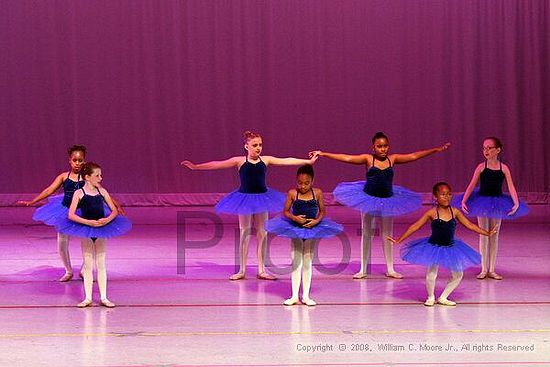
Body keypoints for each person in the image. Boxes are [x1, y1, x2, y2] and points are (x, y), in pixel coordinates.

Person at [310, 132, 450, 279]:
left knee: (387, 234)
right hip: (368, 199)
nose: (383, 149)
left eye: (385, 146)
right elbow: (347, 158)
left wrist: (436, 150)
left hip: (388, 200)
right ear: (373, 148)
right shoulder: (368, 159)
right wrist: (323, 153)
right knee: (367, 234)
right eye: (379, 146)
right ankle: (363, 269)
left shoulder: (393, 159)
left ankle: (390, 269)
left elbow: (414, 156)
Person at [181, 131, 317, 280]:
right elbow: (217, 164)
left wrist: (307, 162)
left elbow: (287, 160)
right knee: (244, 233)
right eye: (255, 145)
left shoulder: (265, 160)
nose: (258, 148)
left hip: (262, 198)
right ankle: (242, 270)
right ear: (246, 146)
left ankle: (261, 269)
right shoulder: (239, 161)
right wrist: (196, 167)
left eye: (260, 145)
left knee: (262, 233)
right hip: (244, 199)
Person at [388, 182, 497, 306]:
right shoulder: (432, 213)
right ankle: (430, 297)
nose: (447, 197)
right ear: (435, 196)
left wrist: (487, 233)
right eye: (443, 194)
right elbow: (415, 226)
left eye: (449, 194)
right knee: (432, 273)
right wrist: (399, 239)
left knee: (458, 274)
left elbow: (470, 225)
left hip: (451, 247)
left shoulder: (455, 212)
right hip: (434, 246)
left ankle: (443, 297)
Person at [55, 162, 132, 308]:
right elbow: (71, 215)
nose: (100, 178)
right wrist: (88, 222)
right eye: (97, 175)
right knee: (88, 265)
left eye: (100, 175)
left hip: (102, 230)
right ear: (87, 177)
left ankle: (104, 297)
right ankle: (88, 298)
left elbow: (114, 210)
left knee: (101, 264)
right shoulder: (79, 193)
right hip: (87, 230)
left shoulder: (102, 191)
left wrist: (106, 220)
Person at [265, 164, 342, 306]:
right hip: (295, 228)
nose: (303, 186)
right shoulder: (293, 193)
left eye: (306, 183)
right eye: (300, 183)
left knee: (307, 262)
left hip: (312, 229)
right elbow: (286, 211)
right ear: (296, 181)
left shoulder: (317, 193)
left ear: (312, 181)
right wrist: (295, 218)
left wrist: (316, 221)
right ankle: (294, 295)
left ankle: (305, 295)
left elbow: (323, 211)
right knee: (296, 262)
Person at [454, 137, 528, 280]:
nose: (486, 151)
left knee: (494, 235)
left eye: (489, 148)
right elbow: (471, 184)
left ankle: (492, 269)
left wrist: (516, 202)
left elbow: (511, 186)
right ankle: (483, 269)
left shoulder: (504, 168)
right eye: (484, 148)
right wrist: (464, 200)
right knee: (483, 234)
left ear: (498, 150)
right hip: (481, 202)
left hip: (498, 203)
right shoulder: (481, 167)